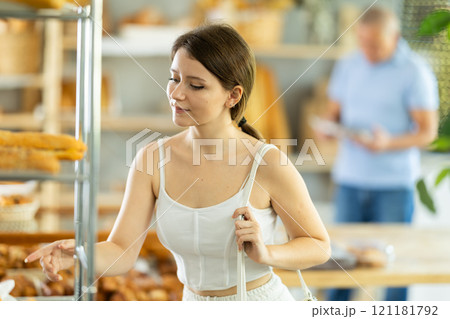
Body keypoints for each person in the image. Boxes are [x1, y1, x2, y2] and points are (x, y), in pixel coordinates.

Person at [25, 24, 330, 301]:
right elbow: (121, 251)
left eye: (196, 85)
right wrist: (78, 255)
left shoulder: (267, 164)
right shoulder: (152, 159)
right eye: (174, 79)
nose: (177, 94)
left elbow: (318, 245)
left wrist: (267, 253)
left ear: (233, 95)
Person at [320, 7, 439, 301]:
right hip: (350, 181)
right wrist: (327, 128)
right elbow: (332, 113)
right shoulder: (349, 64)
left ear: (395, 37)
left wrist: (387, 143)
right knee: (340, 263)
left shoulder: (414, 71)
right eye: (362, 42)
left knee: (394, 268)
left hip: (393, 186)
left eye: (375, 44)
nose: (367, 50)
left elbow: (427, 132)